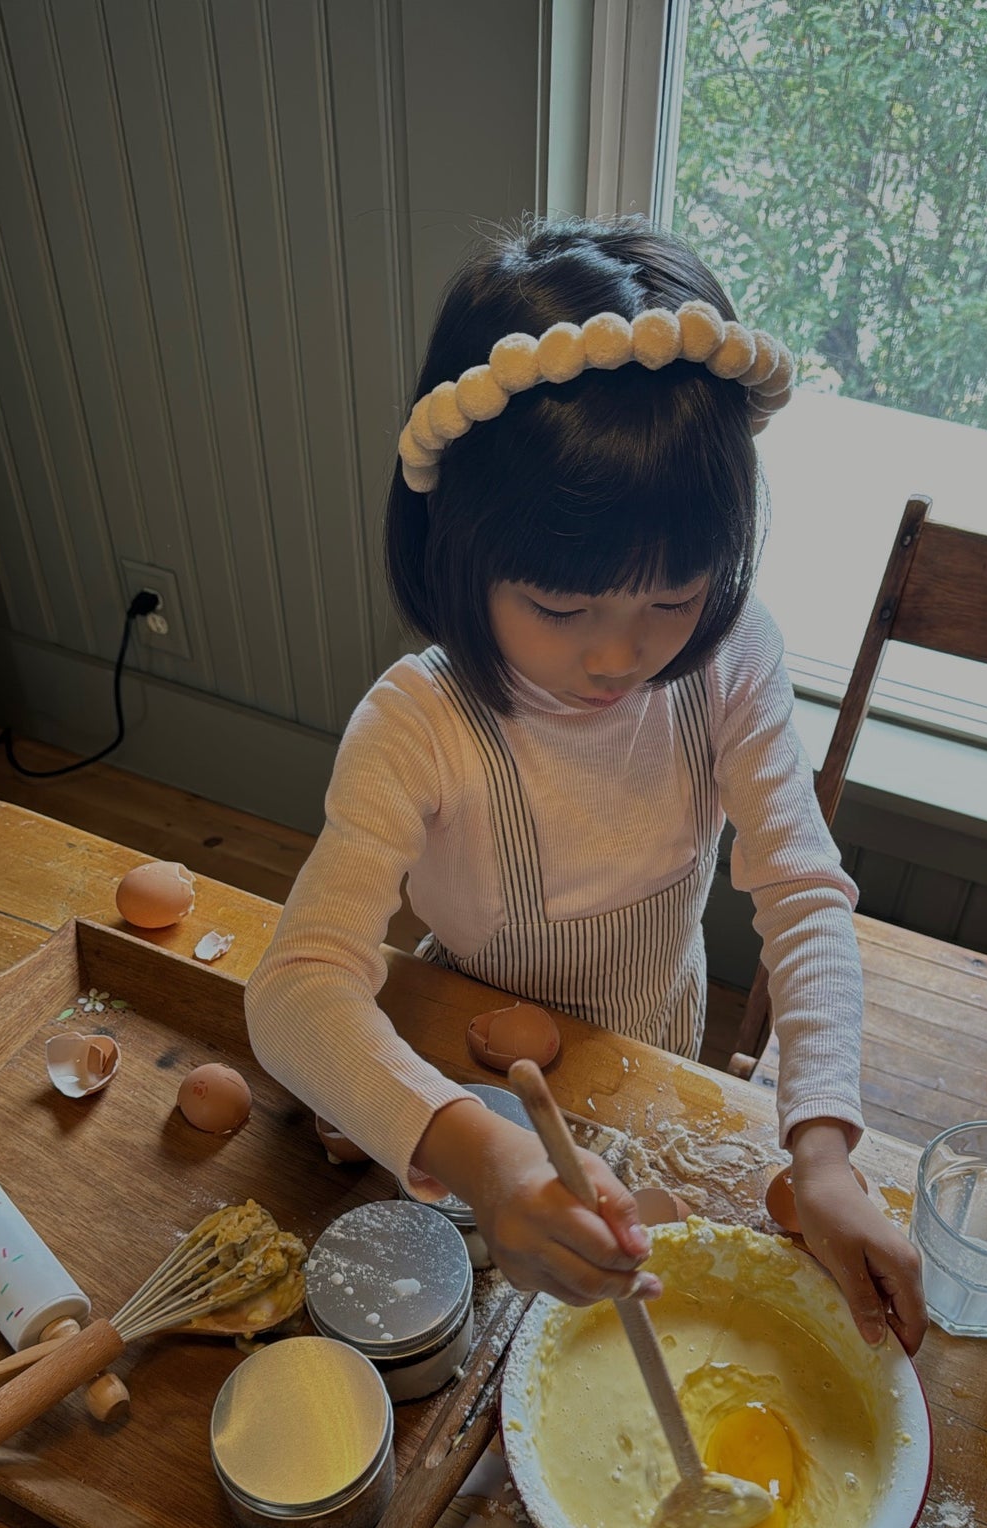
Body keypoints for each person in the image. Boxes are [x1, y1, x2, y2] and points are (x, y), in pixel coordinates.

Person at [245, 215, 926, 1356]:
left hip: (653, 1051)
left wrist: (823, 1152)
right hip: (475, 1080)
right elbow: (293, 990)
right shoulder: (419, 724)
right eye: (562, 610)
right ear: (455, 548)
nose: (621, 656)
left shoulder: (729, 662)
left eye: (672, 598)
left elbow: (804, 898)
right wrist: (478, 1149)